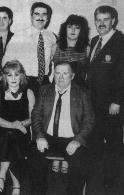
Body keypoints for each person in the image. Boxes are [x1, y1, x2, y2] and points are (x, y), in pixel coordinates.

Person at [29, 62, 94, 195]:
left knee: (80, 163)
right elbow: (36, 115)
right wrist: (40, 136)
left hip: (72, 138)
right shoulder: (44, 90)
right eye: (57, 73)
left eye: (65, 73)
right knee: (34, 157)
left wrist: (78, 140)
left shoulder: (82, 93)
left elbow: (89, 120)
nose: (61, 77)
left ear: (72, 76)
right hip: (48, 137)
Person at [87, 5, 124, 190]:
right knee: (95, 142)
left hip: (112, 105)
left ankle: (112, 184)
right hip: (94, 104)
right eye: (98, 20)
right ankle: (96, 182)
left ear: (114, 21)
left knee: (113, 144)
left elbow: (122, 74)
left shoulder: (120, 41)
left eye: (106, 19)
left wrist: (117, 100)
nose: (101, 23)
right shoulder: (95, 40)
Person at [0, 60, 35, 195]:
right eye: (9, 75)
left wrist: (20, 125)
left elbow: (33, 118)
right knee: (9, 136)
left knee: (11, 138)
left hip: (23, 134)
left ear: (22, 76)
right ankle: (16, 184)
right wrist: (14, 125)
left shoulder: (29, 93)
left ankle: (1, 175)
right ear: (4, 77)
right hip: (1, 132)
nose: (14, 78)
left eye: (17, 74)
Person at [3, 2, 56, 96]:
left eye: (44, 14)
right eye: (37, 14)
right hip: (24, 82)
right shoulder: (19, 36)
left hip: (44, 82)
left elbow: (53, 60)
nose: (40, 17)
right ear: (31, 15)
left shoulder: (51, 36)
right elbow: (6, 62)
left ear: (48, 18)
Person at [53, 14, 90, 87]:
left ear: (82, 30)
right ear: (65, 28)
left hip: (79, 91)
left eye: (77, 28)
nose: (73, 30)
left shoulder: (87, 49)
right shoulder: (55, 47)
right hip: (57, 89)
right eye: (70, 27)